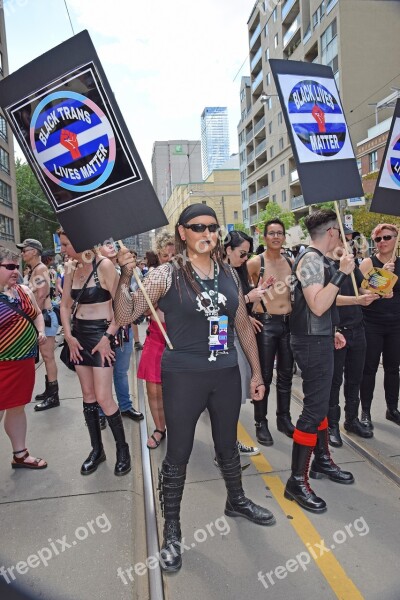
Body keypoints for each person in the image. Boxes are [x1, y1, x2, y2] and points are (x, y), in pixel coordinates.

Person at [115, 204, 275, 573]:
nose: (208, 233)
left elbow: (241, 326)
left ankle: (236, 500)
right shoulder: (165, 274)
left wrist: (255, 372)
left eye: (213, 227)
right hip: (183, 374)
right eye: (198, 227)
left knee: (226, 444)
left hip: (224, 374)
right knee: (180, 453)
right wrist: (125, 276)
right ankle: (172, 529)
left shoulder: (229, 275)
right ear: (182, 233)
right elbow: (125, 317)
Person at [285, 209, 355, 514]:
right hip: (311, 343)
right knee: (313, 410)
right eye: (337, 232)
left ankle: (322, 462)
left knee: (322, 403)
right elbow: (316, 305)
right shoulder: (311, 260)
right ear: (330, 233)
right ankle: (296, 481)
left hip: (319, 338)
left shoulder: (314, 259)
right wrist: (342, 271)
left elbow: (322, 303)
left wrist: (333, 329)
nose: (339, 236)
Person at [58, 228, 131, 477]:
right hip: (78, 336)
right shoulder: (70, 268)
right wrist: (68, 336)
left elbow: (122, 305)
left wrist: (108, 337)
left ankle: (123, 450)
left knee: (103, 396)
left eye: (66, 244)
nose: (62, 249)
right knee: (88, 395)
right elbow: (66, 305)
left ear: (79, 243)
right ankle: (97, 450)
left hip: (102, 336)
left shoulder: (105, 266)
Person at [224, 230, 272, 457]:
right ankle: (225, 449)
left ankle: (229, 444)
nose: (245, 259)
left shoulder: (236, 272)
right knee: (224, 396)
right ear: (227, 250)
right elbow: (215, 310)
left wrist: (253, 298)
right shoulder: (213, 273)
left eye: (247, 254)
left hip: (237, 337)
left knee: (234, 395)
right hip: (221, 339)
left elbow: (238, 308)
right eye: (242, 253)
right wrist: (246, 299)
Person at [247, 218, 295, 446]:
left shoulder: (291, 261)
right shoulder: (256, 262)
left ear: (284, 237)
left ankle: (284, 419)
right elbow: (238, 291)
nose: (276, 236)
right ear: (264, 237)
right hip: (265, 324)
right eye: (272, 233)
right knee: (264, 376)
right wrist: (247, 314)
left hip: (288, 325)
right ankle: (260, 423)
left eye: (280, 233)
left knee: (286, 376)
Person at [326, 240, 379, 446]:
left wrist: (378, 292)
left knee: (355, 379)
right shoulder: (325, 266)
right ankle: (332, 425)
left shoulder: (352, 266)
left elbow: (363, 289)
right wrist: (357, 300)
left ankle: (351, 419)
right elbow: (330, 298)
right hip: (338, 331)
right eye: (342, 241)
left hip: (358, 329)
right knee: (334, 381)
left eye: (349, 243)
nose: (347, 247)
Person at [0, 247, 47, 470]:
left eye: (16, 266)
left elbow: (37, 313)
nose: (15, 271)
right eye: (9, 266)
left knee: (17, 407)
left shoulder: (23, 290)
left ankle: (20, 454)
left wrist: (40, 331)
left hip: (24, 362)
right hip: (2, 364)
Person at [97, 242, 144, 427]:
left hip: (122, 330)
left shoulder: (127, 270)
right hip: (101, 333)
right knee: (102, 375)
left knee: (121, 372)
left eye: (112, 243)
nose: (110, 246)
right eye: (104, 243)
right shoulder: (93, 272)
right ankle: (101, 411)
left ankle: (125, 406)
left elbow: (132, 298)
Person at [359, 223, 400, 428]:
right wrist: (383, 275)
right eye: (378, 239)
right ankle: (365, 411)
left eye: (387, 237)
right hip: (372, 322)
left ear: (396, 238)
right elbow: (362, 290)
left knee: (393, 368)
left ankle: (392, 408)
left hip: (395, 324)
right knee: (369, 368)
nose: (383, 242)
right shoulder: (368, 263)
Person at [137, 231, 175, 449]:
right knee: (154, 391)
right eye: (164, 255)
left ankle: (178, 427)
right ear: (158, 257)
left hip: (181, 342)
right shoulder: (151, 278)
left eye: (173, 255)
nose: (169, 259)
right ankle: (160, 429)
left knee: (178, 392)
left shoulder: (188, 278)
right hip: (156, 340)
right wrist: (151, 310)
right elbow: (140, 308)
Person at [17, 239, 60, 411]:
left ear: (34, 251)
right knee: (46, 356)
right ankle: (49, 390)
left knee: (48, 356)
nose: (22, 253)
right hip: (42, 316)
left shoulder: (41, 269)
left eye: (24, 250)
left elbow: (41, 297)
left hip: (44, 317)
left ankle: (53, 395)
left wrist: (34, 320)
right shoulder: (34, 270)